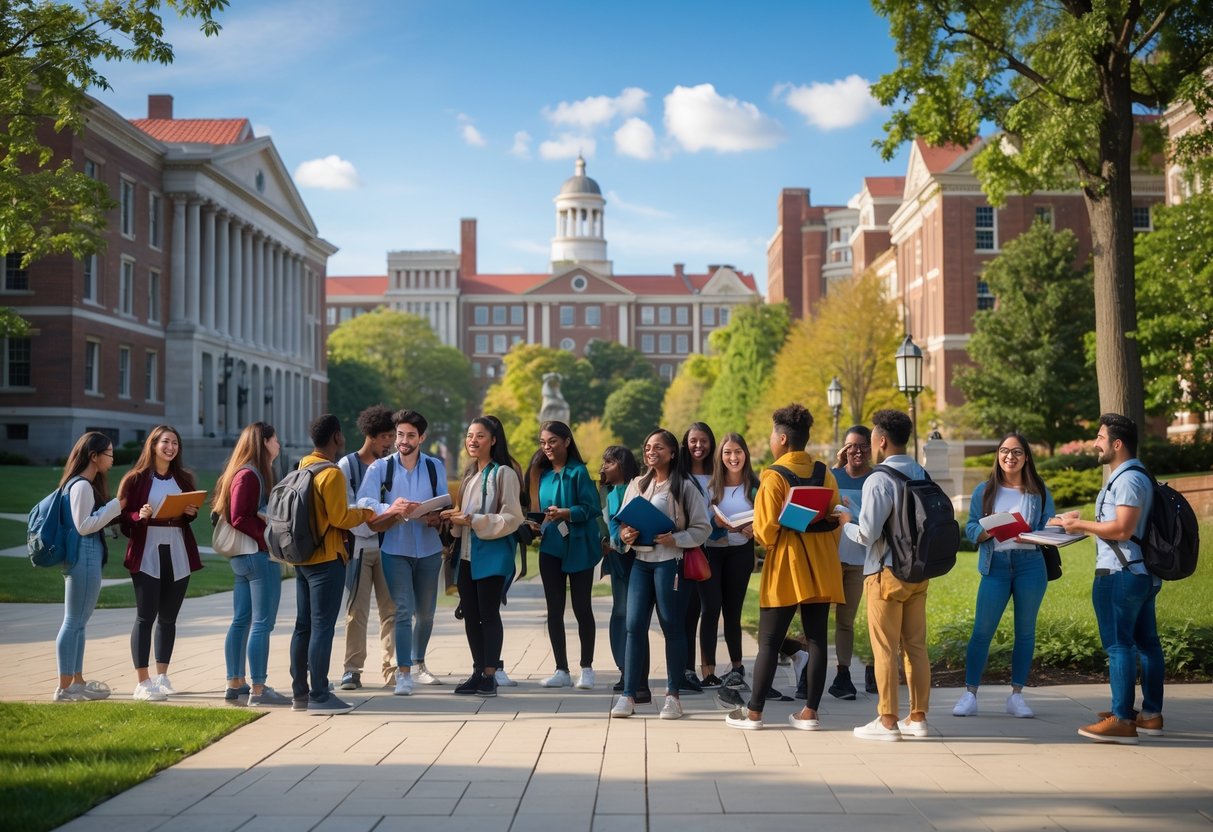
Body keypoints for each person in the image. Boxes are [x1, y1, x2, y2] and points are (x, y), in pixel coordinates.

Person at [724, 405, 843, 731]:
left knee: (769, 641)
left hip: (787, 567)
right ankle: (810, 713)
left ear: (782, 438)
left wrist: (787, 526)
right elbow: (836, 520)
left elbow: (765, 532)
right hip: (821, 565)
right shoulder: (824, 472)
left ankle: (754, 713)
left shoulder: (773, 476)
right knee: (817, 639)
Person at [1054, 413, 1163, 744]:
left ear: (1117, 444)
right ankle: (1150, 715)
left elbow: (1122, 529)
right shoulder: (1133, 475)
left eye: (1100, 437)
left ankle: (1123, 720)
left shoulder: (1128, 479)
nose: (1095, 443)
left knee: (1119, 646)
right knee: (1146, 643)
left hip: (1121, 574)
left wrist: (1079, 526)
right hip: (1139, 572)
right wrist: (1079, 519)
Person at [840, 409, 932, 741]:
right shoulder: (921, 471)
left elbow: (867, 533)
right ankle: (918, 717)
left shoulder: (879, 479)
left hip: (885, 572)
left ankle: (888, 720)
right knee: (915, 646)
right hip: (918, 572)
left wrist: (845, 522)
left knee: (884, 648)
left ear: (880, 440)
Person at [611, 428, 711, 720]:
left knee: (672, 627)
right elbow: (622, 522)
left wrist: (676, 539)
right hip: (641, 563)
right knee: (633, 626)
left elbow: (702, 528)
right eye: (647, 447)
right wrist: (625, 533)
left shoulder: (685, 487)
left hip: (671, 564)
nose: (651, 452)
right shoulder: (637, 484)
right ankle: (628, 695)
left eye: (658, 447)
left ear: (672, 453)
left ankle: (673, 697)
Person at [956, 432, 1055, 719]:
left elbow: (1049, 526)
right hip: (995, 565)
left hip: (1030, 565)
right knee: (982, 631)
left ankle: (1017, 696)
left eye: (1017, 452)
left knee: (1025, 632)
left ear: (1026, 458)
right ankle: (969, 694)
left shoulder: (1039, 492)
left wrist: (1034, 535)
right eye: (1004, 451)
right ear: (997, 456)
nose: (1010, 457)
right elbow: (971, 526)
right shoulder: (984, 491)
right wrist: (987, 531)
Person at [289, 414, 377, 715]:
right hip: (327, 559)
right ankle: (320, 693)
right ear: (337, 437)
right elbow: (340, 518)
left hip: (302, 556)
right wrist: (364, 512)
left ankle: (300, 693)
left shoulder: (303, 466)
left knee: (303, 626)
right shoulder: (332, 474)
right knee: (323, 627)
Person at [357, 409, 449, 695]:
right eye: (400, 435)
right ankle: (404, 673)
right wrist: (391, 508)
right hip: (395, 548)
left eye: (410, 435)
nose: (403, 441)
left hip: (429, 548)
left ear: (421, 437)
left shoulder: (435, 466)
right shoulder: (380, 468)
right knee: (402, 610)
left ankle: (420, 663)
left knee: (427, 614)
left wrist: (435, 515)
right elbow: (364, 500)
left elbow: (444, 502)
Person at [118, 425, 203, 702]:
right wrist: (138, 515)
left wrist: (190, 512)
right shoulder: (135, 479)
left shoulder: (184, 478)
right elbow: (123, 520)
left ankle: (162, 676)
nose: (171, 447)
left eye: (175, 443)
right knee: (145, 617)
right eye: (165, 442)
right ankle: (143, 682)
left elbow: (187, 512)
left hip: (178, 550)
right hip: (147, 551)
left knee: (169, 617)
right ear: (153, 444)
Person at [443, 416, 524, 698]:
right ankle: (478, 670)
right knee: (470, 616)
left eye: (479, 436)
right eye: (469, 435)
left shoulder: (504, 473)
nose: (472, 441)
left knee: (489, 614)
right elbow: (462, 518)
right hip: (466, 555)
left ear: (493, 440)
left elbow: (512, 517)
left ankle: (490, 675)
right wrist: (449, 518)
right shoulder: (469, 476)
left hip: (491, 555)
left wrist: (473, 519)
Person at [214, 422, 289, 706]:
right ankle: (259, 688)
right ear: (264, 442)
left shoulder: (242, 471)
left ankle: (235, 683)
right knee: (262, 623)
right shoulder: (250, 474)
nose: (278, 445)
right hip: (256, 557)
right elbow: (238, 517)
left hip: (243, 558)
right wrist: (266, 540)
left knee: (242, 620)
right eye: (275, 440)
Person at [528, 421, 603, 690]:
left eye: (553, 442)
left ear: (567, 442)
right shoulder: (543, 476)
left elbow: (592, 508)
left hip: (579, 547)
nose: (547, 447)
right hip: (551, 548)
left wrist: (567, 513)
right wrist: (537, 524)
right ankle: (561, 669)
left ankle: (587, 668)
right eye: (543, 443)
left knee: (582, 607)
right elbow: (542, 511)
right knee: (554, 609)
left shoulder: (579, 472)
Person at [52, 432, 122, 701]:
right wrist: (116, 506)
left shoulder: (82, 484)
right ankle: (64, 687)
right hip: (84, 554)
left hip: (86, 554)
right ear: (94, 456)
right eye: (109, 454)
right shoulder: (80, 485)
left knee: (80, 621)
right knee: (73, 621)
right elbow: (84, 526)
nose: (112, 459)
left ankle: (76, 681)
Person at [338, 404, 397, 691]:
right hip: (359, 546)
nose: (391, 442)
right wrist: (374, 524)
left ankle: (392, 668)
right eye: (386, 436)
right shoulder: (347, 466)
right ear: (371, 435)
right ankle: (352, 668)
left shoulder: (394, 465)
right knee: (356, 611)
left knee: (392, 610)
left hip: (389, 547)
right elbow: (347, 511)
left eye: (392, 436)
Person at [701, 432, 758, 692]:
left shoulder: (756, 486)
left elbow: (768, 518)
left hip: (741, 553)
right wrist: (717, 523)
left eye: (737, 452)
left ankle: (737, 668)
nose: (733, 457)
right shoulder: (711, 487)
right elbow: (701, 523)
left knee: (733, 612)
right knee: (711, 610)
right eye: (727, 453)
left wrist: (755, 529)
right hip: (713, 552)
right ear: (720, 456)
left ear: (745, 454)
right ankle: (708, 671)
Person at [828, 426, 878, 699]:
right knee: (817, 619)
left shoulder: (877, 478)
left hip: (862, 562)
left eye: (863, 445)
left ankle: (848, 671)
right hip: (831, 559)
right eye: (851, 446)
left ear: (872, 448)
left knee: (848, 620)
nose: (857, 451)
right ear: (843, 450)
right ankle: (808, 674)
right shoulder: (832, 476)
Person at [599, 445, 647, 700]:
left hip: (635, 556)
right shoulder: (603, 491)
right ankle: (623, 668)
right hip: (615, 558)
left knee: (632, 615)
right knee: (619, 612)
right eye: (604, 462)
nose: (605, 466)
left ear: (623, 464)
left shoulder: (636, 487)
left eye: (610, 462)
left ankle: (634, 671)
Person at [679, 422, 716, 693]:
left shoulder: (719, 475)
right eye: (693, 441)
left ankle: (709, 670)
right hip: (690, 550)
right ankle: (687, 669)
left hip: (718, 549)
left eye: (703, 441)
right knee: (688, 611)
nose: (698, 446)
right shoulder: (679, 477)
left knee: (712, 609)